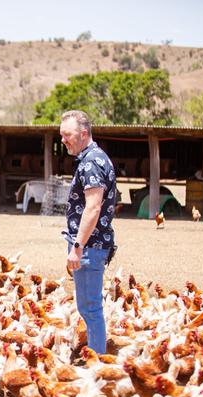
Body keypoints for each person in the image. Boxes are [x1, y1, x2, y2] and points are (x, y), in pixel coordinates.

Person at [60, 110, 117, 354]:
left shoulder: (92, 161)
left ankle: (99, 363)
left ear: (84, 134)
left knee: (91, 308)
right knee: (86, 307)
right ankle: (98, 358)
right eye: (61, 135)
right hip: (90, 245)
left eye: (67, 135)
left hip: (90, 246)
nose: (63, 141)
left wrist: (78, 246)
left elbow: (93, 207)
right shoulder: (90, 159)